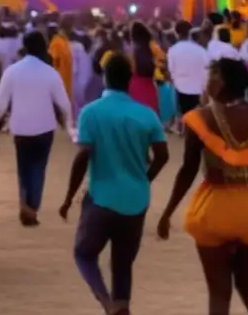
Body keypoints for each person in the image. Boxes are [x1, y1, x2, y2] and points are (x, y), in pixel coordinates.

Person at [156, 58, 248, 315]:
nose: (207, 82)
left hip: (216, 208)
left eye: (210, 76)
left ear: (221, 79)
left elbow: (187, 170)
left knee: (219, 291)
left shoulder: (200, 118)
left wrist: (167, 212)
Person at [60, 53, 169, 315]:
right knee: (122, 264)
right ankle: (121, 306)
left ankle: (106, 301)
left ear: (105, 77)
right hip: (136, 199)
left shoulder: (91, 112)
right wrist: (144, 179)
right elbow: (162, 156)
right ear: (130, 80)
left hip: (102, 197)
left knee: (84, 254)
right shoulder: (146, 115)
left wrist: (69, 197)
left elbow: (83, 156)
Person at [0, 31, 72, 227]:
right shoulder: (49, 72)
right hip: (44, 128)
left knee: (23, 168)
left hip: (20, 127)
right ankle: (32, 208)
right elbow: (64, 103)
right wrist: (69, 125)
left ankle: (26, 207)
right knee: (38, 168)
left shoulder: (12, 70)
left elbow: (0, 103)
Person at [167, 19, 210, 116]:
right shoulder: (201, 50)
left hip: (181, 91)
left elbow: (171, 72)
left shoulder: (173, 50)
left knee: (186, 119)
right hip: (200, 91)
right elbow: (207, 70)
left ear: (176, 33)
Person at [127, 21, 160, 113]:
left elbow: (130, 69)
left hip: (136, 86)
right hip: (150, 85)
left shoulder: (133, 52)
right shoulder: (153, 48)